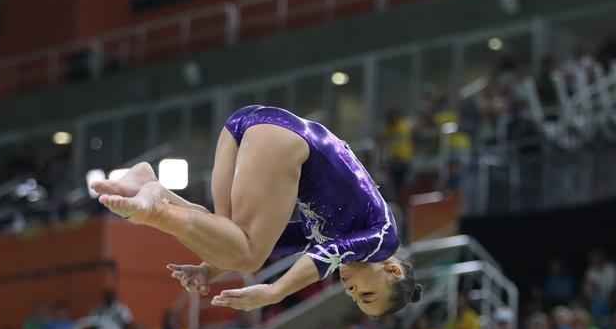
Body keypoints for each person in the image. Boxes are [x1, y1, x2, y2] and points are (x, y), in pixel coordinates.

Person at [93, 106, 422, 316]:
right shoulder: (384, 239)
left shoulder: (338, 231)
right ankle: (152, 212)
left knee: (231, 239)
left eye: (355, 298)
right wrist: (274, 292)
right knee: (248, 257)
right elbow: (326, 257)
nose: (350, 290)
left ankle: (151, 185)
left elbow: (274, 243)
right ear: (392, 271)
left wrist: (210, 270)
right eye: (366, 294)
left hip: (246, 125)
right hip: (286, 141)